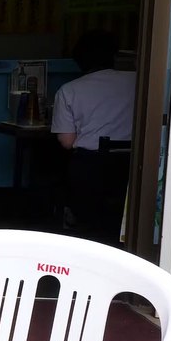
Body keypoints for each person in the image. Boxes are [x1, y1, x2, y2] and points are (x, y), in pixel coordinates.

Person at [51, 31, 136, 245]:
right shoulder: (139, 80)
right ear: (114, 56)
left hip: (92, 169)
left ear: (79, 60)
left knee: (90, 224)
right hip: (134, 167)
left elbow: (67, 141)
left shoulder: (69, 90)